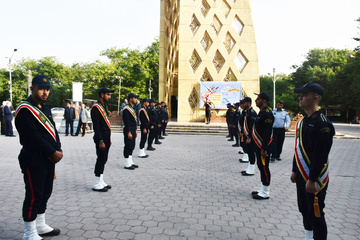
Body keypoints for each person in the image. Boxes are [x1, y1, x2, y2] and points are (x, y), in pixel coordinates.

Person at [15, 74, 63, 239]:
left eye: (47, 89)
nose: (45, 92)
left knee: (45, 192)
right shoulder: (25, 110)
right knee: (34, 194)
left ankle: (40, 225)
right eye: (41, 88)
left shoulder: (45, 108)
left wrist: (58, 148)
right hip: (33, 159)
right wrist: (52, 152)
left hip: (48, 159)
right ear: (32, 88)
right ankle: (29, 232)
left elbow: (53, 132)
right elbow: (31, 137)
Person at [291, 83, 334, 240]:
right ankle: (308, 237)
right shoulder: (303, 122)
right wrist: (295, 170)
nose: (300, 98)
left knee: (316, 213)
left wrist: (312, 178)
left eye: (304, 95)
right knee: (304, 209)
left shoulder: (322, 124)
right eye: (300, 95)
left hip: (314, 178)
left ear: (315, 98)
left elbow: (320, 154)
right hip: (302, 174)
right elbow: (298, 148)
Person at [251, 92, 274, 200]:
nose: (256, 101)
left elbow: (267, 132)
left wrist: (264, 148)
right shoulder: (261, 112)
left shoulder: (267, 114)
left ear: (264, 101)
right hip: (259, 146)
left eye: (258, 99)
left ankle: (265, 192)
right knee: (261, 166)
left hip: (263, 147)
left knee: (264, 167)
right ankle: (262, 189)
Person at [91, 87, 114, 192]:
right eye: (108, 94)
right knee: (100, 159)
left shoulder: (104, 106)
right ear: (102, 95)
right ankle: (96, 183)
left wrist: (108, 139)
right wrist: (101, 141)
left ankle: (101, 180)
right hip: (101, 137)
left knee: (104, 159)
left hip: (106, 136)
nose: (109, 96)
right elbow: (96, 126)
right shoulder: (96, 108)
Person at [122, 93, 140, 170]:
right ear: (130, 99)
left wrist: (135, 130)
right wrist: (129, 132)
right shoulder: (126, 109)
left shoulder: (132, 108)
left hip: (133, 129)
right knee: (128, 145)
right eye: (134, 98)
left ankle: (130, 161)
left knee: (132, 145)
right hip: (128, 129)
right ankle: (126, 163)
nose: (136, 99)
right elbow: (127, 122)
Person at [240, 97, 257, 176]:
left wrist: (250, 137)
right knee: (248, 151)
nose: (243, 104)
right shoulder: (247, 112)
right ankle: (249, 167)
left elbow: (252, 126)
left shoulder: (252, 113)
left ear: (248, 103)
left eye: (244, 102)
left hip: (250, 136)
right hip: (246, 135)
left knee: (251, 152)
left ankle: (252, 169)